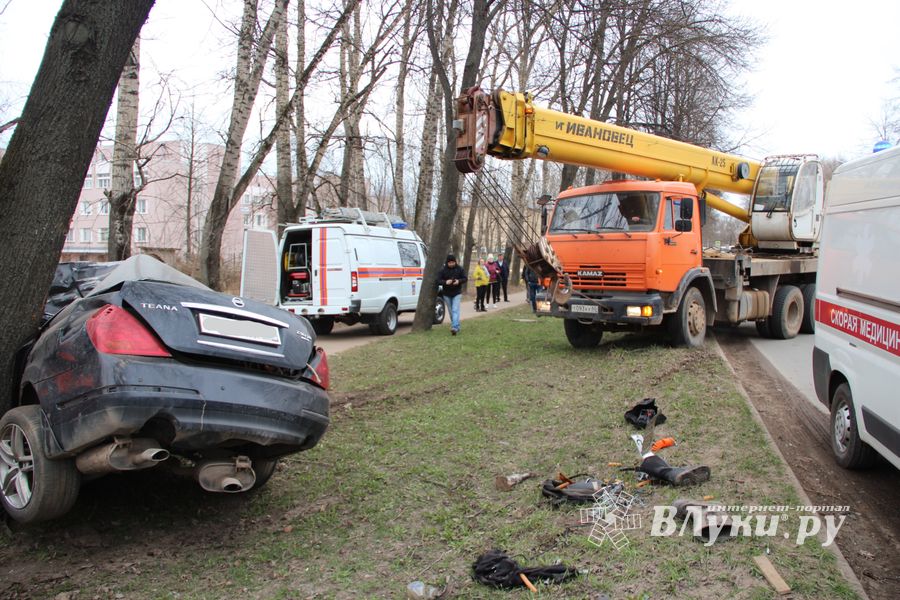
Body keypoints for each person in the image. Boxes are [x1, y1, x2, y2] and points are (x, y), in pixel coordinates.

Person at [437, 254, 467, 335]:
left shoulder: (460, 269)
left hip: (457, 293)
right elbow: (438, 280)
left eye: (453, 262)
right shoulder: (443, 270)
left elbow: (465, 278)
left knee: (455, 309)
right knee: (451, 311)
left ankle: (454, 327)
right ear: (447, 263)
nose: (451, 264)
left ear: (455, 262)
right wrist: (445, 282)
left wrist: (458, 281)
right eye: (449, 263)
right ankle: (456, 325)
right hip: (447, 294)